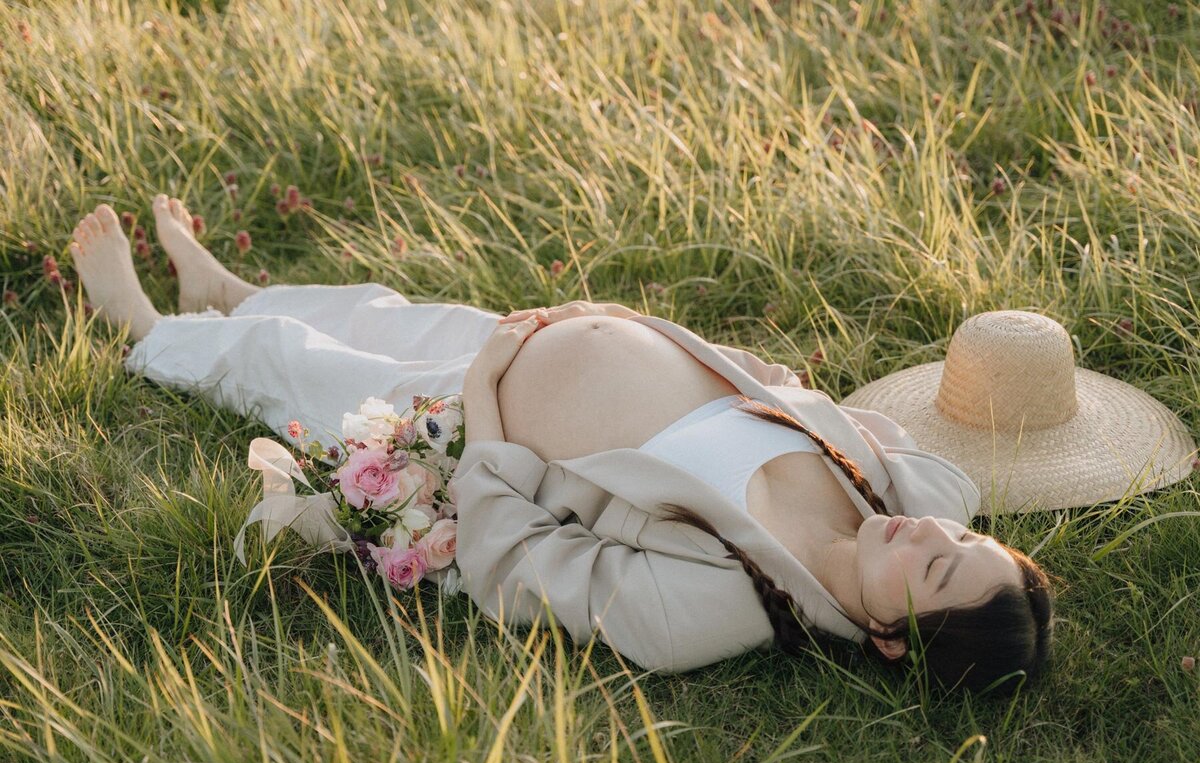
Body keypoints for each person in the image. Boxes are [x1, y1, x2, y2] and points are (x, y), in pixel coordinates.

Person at [67, 197, 1054, 693]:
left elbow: (523, 569)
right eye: (959, 542)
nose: (928, 534)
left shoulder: (721, 608)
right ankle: (227, 294)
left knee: (301, 367)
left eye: (934, 569)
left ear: (887, 637)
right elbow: (945, 476)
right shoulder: (879, 486)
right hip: (545, 334)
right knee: (383, 311)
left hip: (478, 427)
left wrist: (495, 398)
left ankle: (151, 329)